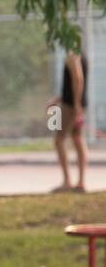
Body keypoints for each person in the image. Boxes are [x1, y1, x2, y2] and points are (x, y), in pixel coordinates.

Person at [50, 50, 88, 193]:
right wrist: (58, 99)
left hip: (71, 106)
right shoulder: (81, 55)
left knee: (59, 139)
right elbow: (74, 83)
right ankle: (80, 182)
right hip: (77, 104)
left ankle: (67, 181)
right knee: (77, 138)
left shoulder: (72, 56)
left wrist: (76, 105)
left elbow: (78, 79)